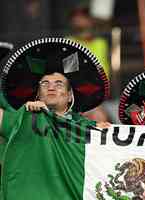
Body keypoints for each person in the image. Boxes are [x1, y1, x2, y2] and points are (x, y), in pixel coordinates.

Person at [0, 37, 110, 199]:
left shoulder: (89, 128)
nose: (51, 87)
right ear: (38, 94)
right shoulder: (24, 119)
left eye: (59, 84)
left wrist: (109, 137)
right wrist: (30, 115)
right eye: (44, 84)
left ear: (70, 96)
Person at [68, 5, 110, 79]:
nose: (78, 19)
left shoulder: (101, 43)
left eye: (83, 17)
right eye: (76, 17)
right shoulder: (69, 42)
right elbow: (70, 71)